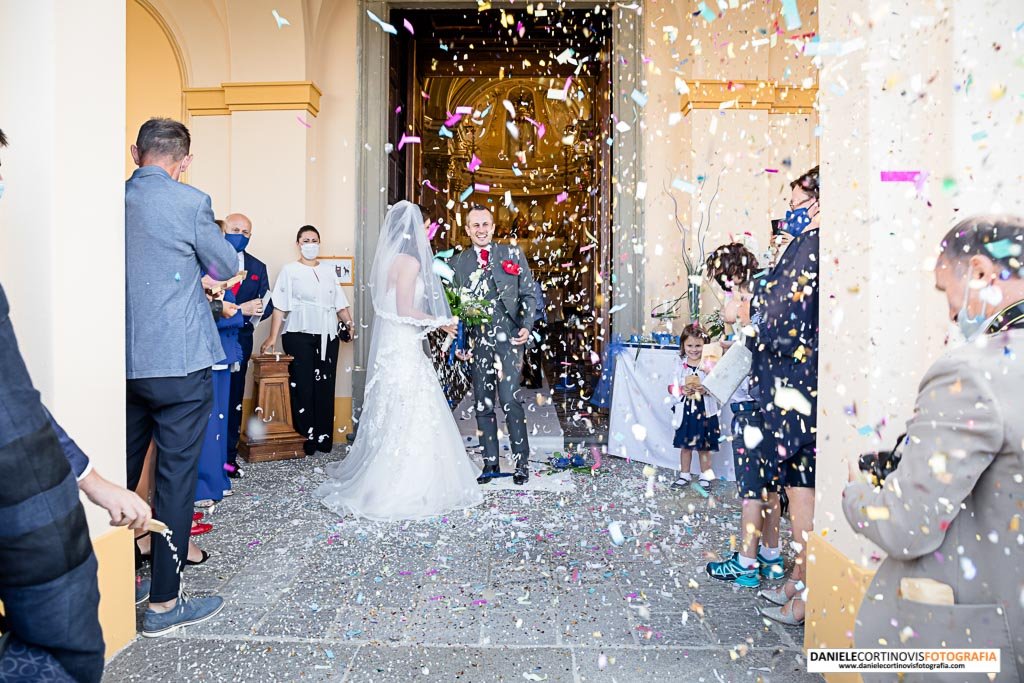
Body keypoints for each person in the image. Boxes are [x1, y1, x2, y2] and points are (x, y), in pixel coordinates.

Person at [843, 215, 1024, 682]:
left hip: (976, 642)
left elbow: (908, 525)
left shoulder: (975, 372)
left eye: (949, 293)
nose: (950, 312)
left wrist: (859, 496)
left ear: (982, 273)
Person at [0, 127, 152, 683]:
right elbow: (14, 413)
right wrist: (82, 493)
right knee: (60, 651)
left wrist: (93, 480)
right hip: (22, 514)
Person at [125, 117, 236, 636]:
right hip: (181, 362)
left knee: (121, 477)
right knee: (174, 480)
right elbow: (224, 264)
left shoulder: (111, 199)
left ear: (135, 152)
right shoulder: (191, 202)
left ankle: (119, 580)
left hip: (121, 363)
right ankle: (164, 604)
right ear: (184, 161)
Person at [314, 201, 483, 520]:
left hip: (396, 342)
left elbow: (390, 306)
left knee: (397, 405)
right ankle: (407, 479)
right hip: (403, 343)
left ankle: (391, 468)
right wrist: (440, 321)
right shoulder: (411, 263)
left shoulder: (391, 259)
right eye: (425, 226)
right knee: (412, 405)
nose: (428, 232)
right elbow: (405, 310)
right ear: (413, 230)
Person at [749, 166, 820, 625]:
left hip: (799, 379)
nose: (788, 214)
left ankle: (810, 590)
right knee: (797, 483)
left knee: (804, 484)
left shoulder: (815, 249)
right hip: (788, 380)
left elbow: (781, 316)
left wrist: (755, 312)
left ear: (817, 204)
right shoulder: (800, 246)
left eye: (795, 206)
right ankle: (799, 573)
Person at [703, 243, 784, 588]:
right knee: (772, 488)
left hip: (750, 410)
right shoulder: (771, 299)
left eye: (723, 282)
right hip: (772, 408)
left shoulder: (750, 301)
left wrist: (735, 304)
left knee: (751, 490)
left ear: (732, 276)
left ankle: (747, 564)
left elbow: (731, 317)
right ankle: (772, 556)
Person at [450, 204, 538, 486]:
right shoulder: (459, 262)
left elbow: (528, 293)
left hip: (511, 338)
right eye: (475, 225)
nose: (481, 230)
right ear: (467, 230)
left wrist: (526, 326)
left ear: (493, 226)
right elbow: (456, 305)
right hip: (478, 343)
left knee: (510, 399)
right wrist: (460, 340)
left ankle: (521, 462)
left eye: (485, 224)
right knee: (482, 403)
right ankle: (490, 462)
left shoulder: (512, 254)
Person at [261, 225, 354, 455]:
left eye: (314, 240)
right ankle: (306, 439)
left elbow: (339, 303)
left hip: (327, 334)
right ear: (298, 244)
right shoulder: (289, 270)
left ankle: (324, 439)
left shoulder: (328, 271)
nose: (310, 244)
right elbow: (280, 306)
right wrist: (272, 336)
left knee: (325, 384)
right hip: (298, 334)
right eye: (306, 240)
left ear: (319, 243)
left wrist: (350, 325)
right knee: (303, 386)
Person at [222, 213, 272, 479]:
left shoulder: (257, 266)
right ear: (223, 229)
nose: (240, 235)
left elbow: (267, 302)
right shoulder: (209, 261)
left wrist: (257, 311)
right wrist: (240, 309)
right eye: (235, 229)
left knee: (234, 400)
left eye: (245, 232)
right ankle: (205, 463)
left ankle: (229, 460)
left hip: (241, 340)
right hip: (215, 338)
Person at [194, 260, 244, 509]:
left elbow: (237, 318)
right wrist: (224, 313)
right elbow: (207, 316)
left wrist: (226, 313)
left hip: (224, 357)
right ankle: (202, 485)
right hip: (204, 357)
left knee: (220, 423)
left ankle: (218, 480)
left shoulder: (224, 280)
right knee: (207, 424)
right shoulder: (195, 277)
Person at [670, 324, 719, 491]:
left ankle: (705, 474)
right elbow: (671, 387)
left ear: (705, 345)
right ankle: (685, 473)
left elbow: (718, 385)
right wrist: (682, 389)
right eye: (690, 345)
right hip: (686, 409)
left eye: (698, 345)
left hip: (704, 409)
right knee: (686, 444)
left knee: (703, 445)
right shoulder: (679, 363)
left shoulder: (709, 363)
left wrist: (705, 389)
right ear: (683, 345)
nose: (694, 349)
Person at [521, 279, 547, 389]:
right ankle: (527, 377)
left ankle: (537, 381)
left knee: (535, 352)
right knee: (524, 351)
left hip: (536, 322)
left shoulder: (534, 285)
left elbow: (539, 305)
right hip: (524, 323)